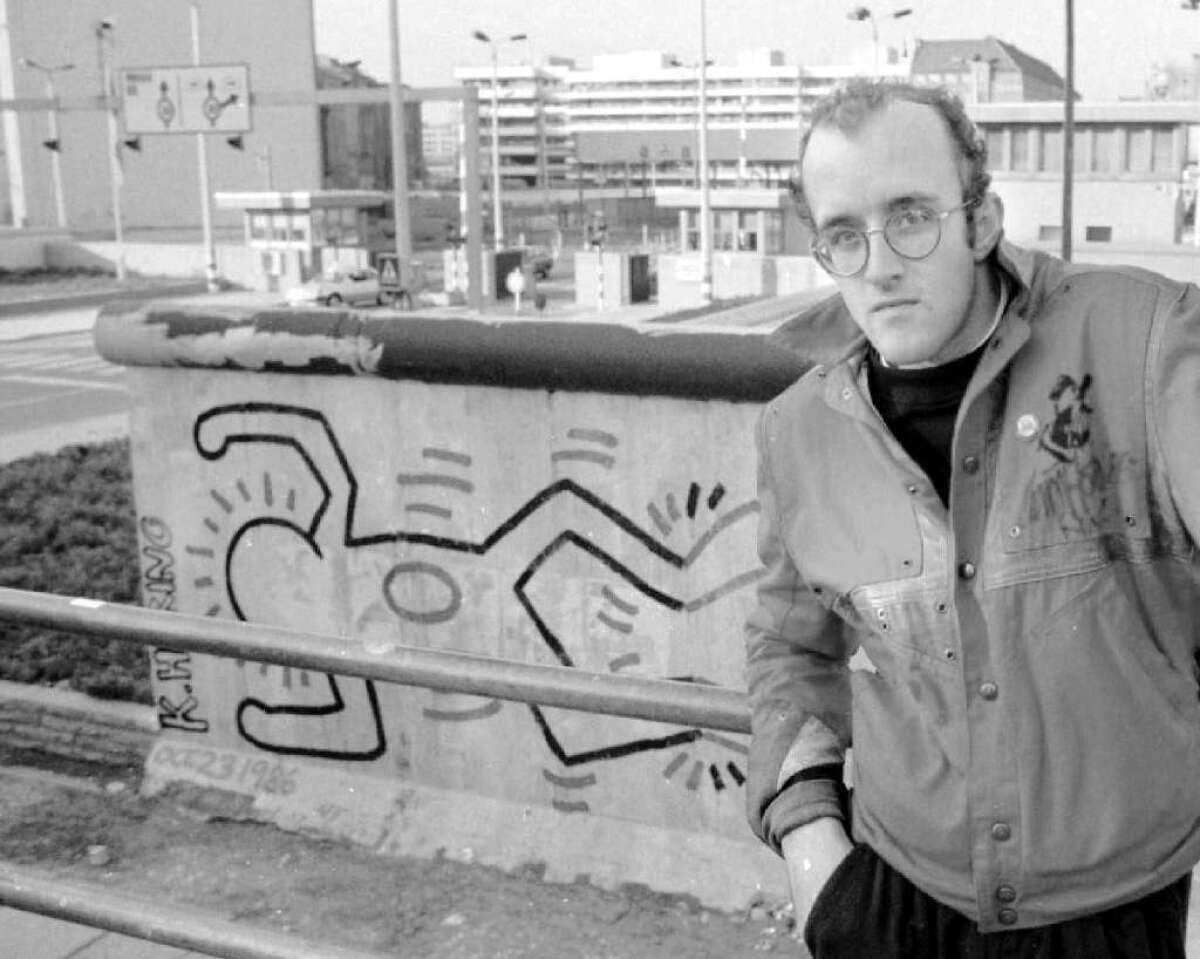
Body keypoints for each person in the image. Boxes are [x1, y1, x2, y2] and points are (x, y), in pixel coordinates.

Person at [744, 77, 1200, 959]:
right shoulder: (798, 432)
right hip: (894, 902)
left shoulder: (1143, 343)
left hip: (1127, 910)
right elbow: (790, 647)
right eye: (843, 234)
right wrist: (815, 863)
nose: (878, 265)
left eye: (910, 216)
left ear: (982, 220)